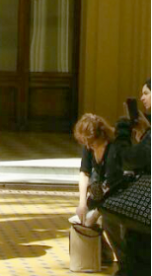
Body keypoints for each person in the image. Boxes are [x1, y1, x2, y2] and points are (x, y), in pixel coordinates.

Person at [105, 79, 151, 276]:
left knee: (136, 260)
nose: (142, 97)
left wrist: (123, 133)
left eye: (147, 92)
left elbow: (130, 160)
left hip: (145, 213)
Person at [73, 114, 122, 266]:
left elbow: (114, 184)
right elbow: (84, 171)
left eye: (90, 143)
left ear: (99, 136)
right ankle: (103, 255)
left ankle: (124, 260)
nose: (87, 147)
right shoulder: (89, 146)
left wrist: (96, 213)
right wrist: (82, 203)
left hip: (115, 195)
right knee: (80, 221)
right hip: (98, 193)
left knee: (106, 220)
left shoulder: (114, 148)